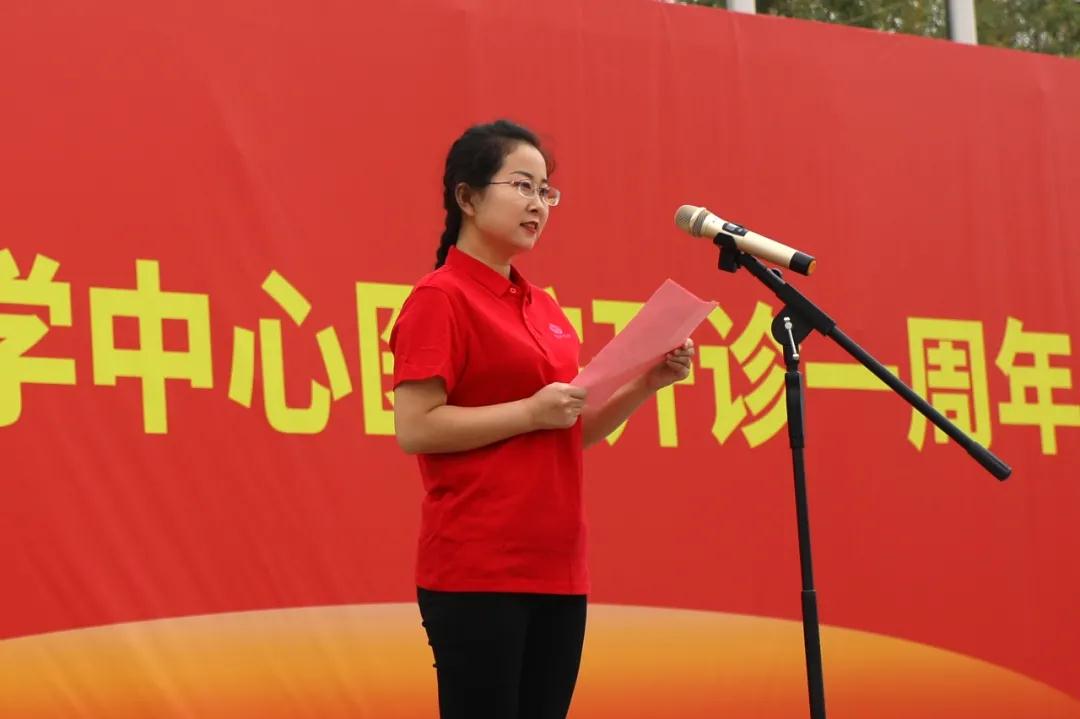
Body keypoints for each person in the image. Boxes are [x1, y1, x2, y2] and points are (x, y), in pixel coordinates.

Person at [389, 119, 694, 719]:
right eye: (522, 186)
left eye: (546, 191)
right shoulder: (440, 298)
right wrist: (530, 411)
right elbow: (415, 427)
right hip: (478, 566)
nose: (539, 205)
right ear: (467, 197)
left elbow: (570, 431)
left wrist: (646, 383)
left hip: (557, 565)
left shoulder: (545, 307)